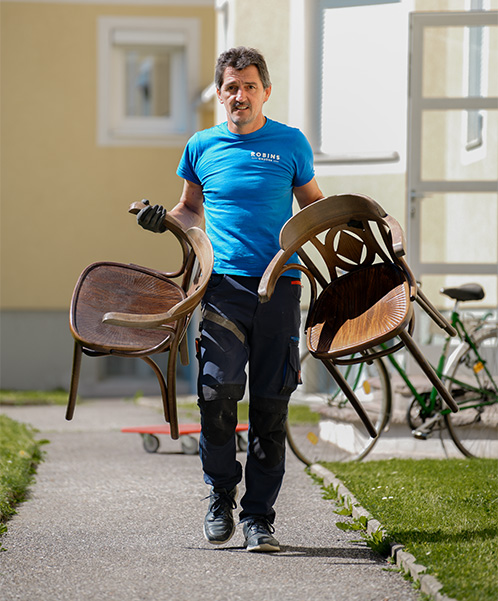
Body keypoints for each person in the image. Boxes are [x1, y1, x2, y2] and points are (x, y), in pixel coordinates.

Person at [137, 46, 323, 552]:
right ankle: (221, 495)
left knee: (271, 405)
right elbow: (189, 209)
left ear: (266, 91)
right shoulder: (201, 145)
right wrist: (165, 220)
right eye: (231, 87)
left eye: (249, 86)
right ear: (219, 94)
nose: (240, 95)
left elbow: (314, 208)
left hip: (280, 288)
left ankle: (260, 518)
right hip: (222, 289)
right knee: (217, 395)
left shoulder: (290, 143)